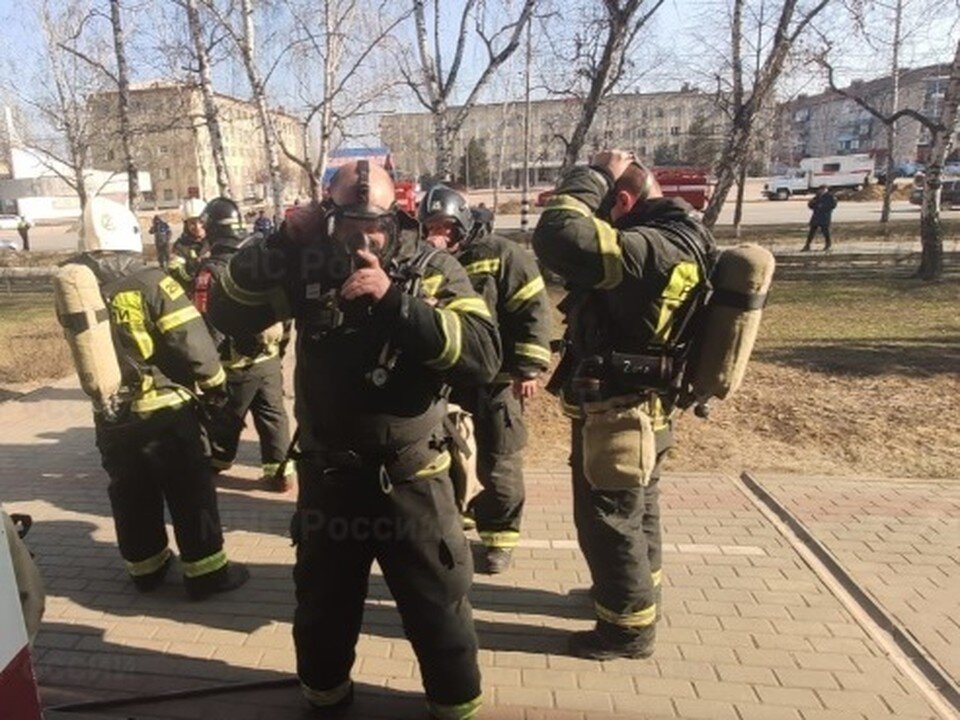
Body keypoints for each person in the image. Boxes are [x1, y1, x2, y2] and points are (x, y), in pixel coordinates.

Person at [207, 161, 500, 718]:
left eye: (377, 227)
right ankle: (325, 699)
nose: (364, 241)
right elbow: (227, 312)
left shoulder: (430, 267)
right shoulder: (307, 264)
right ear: (327, 216)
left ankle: (456, 706)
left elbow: (483, 357)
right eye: (348, 227)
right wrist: (280, 242)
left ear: (396, 219)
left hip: (414, 483)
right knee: (323, 607)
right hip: (331, 480)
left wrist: (397, 302)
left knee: (438, 609)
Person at [533, 149, 717, 660]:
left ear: (625, 201)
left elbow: (558, 238)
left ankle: (626, 630)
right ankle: (636, 596)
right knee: (639, 511)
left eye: (604, 207)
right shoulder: (683, 236)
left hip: (621, 413)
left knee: (609, 519)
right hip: (644, 408)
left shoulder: (649, 249)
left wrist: (591, 177)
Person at [56, 196, 249, 599]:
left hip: (111, 418)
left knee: (131, 495)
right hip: (165, 417)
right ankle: (207, 574)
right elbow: (192, 343)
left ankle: (147, 570)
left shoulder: (80, 288)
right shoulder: (151, 282)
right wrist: (216, 387)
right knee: (190, 492)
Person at [419, 184, 551, 574]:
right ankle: (464, 512)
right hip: (451, 375)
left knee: (498, 458)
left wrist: (528, 367)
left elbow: (533, 309)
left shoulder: (502, 254)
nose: (435, 236)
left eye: (444, 227)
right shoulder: (430, 261)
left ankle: (500, 538)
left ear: (461, 223)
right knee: (450, 451)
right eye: (429, 227)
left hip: (497, 379)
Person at [193, 197, 294, 492]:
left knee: (226, 417)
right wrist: (280, 350)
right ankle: (280, 473)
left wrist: (206, 368)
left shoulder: (210, 270)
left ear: (211, 229)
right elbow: (284, 309)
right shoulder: (262, 258)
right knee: (273, 415)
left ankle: (217, 463)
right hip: (270, 359)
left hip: (233, 363)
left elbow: (207, 323)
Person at [168, 198, 209, 292]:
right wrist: (196, 264)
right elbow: (176, 276)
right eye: (192, 223)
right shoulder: (181, 246)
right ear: (186, 224)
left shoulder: (216, 241)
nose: (197, 227)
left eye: (201, 222)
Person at [802, 186, 837, 252]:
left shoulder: (830, 197)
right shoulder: (817, 197)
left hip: (825, 217)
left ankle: (828, 245)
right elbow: (810, 205)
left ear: (825, 190)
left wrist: (823, 206)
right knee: (811, 232)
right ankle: (807, 245)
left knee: (826, 232)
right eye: (820, 190)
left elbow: (833, 205)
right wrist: (814, 204)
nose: (820, 191)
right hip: (816, 216)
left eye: (822, 190)